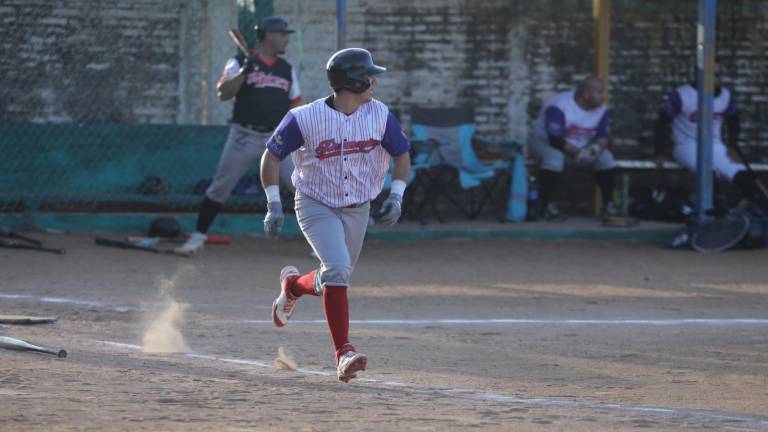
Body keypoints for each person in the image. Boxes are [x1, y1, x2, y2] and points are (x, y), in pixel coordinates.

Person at [259, 48, 411, 382]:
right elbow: (270, 158)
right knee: (339, 270)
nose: (374, 80)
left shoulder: (380, 115)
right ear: (352, 81)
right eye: (369, 75)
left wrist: (396, 196)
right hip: (315, 203)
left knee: (334, 275)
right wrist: (273, 203)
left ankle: (293, 286)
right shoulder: (304, 118)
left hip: (358, 206)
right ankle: (344, 353)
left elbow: (401, 156)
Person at [175, 16, 301, 256]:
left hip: (277, 139)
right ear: (268, 36)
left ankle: (322, 242)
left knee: (301, 188)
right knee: (220, 187)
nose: (286, 39)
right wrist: (245, 71)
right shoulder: (239, 61)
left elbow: (296, 104)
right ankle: (198, 236)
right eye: (282, 34)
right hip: (245, 135)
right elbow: (224, 93)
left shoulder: (287, 69)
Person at [652, 78, 768, 213]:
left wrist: (732, 145)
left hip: (715, 145)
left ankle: (764, 212)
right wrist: (658, 152)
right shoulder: (682, 94)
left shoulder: (725, 96)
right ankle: (716, 214)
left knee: (741, 175)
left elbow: (734, 121)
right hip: (686, 145)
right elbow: (661, 123)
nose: (715, 79)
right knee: (708, 173)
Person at [529, 76, 618, 221]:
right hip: (544, 143)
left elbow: (603, 137)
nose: (604, 96)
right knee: (554, 157)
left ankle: (608, 205)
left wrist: (594, 149)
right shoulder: (559, 105)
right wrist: (580, 152)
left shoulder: (601, 108)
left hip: (581, 145)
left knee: (606, 158)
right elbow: (556, 140)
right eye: (600, 92)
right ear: (586, 94)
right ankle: (546, 206)